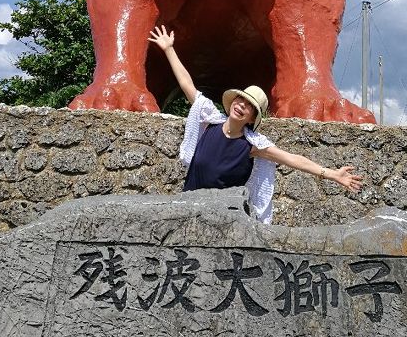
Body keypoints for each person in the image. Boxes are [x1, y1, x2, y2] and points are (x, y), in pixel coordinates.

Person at [148, 25, 363, 224]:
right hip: (189, 210)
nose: (242, 105)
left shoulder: (250, 145)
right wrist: (169, 49)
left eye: (249, 106)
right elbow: (187, 84)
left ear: (252, 119)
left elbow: (292, 159)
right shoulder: (209, 123)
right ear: (232, 102)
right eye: (241, 100)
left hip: (224, 221)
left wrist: (332, 174)